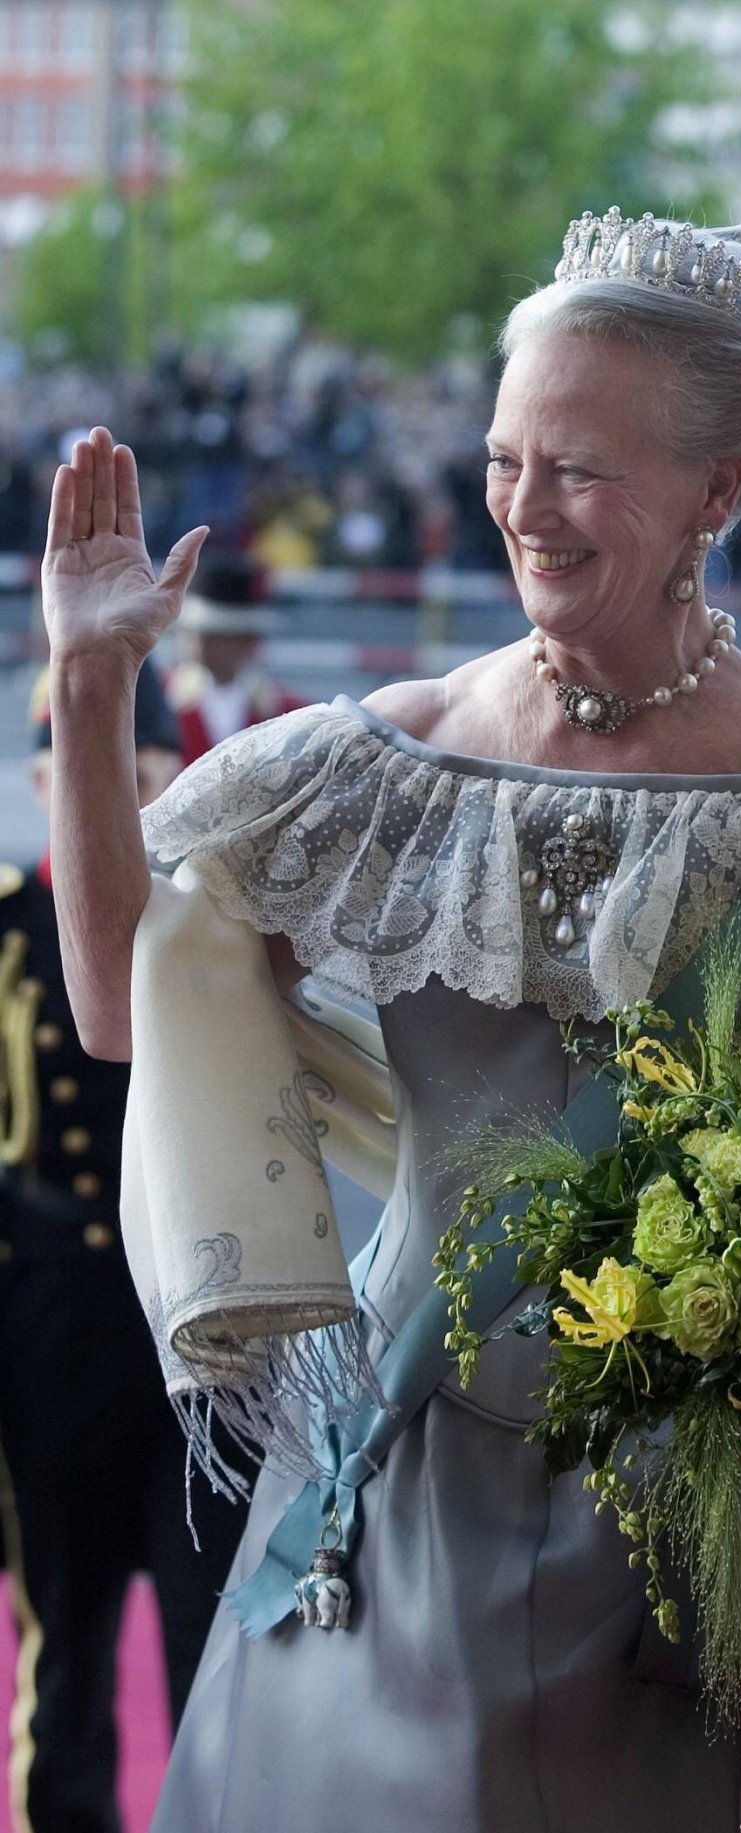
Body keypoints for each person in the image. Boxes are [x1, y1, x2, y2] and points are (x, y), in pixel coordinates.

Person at [40, 209, 741, 1833]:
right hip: (399, 1489)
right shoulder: (386, 761)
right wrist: (88, 691)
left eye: (578, 466)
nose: (520, 504)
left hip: (703, 1515)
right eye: (507, 456)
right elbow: (116, 1007)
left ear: (718, 492)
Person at [0, 662, 248, 1833]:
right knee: (68, 1637)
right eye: (76, 775)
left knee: (216, 1638)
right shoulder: (5, 929)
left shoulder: (218, 933)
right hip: (54, 1327)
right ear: (46, 781)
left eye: (137, 774)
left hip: (200, 1332)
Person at [166, 552, 305, 766]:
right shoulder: (157, 701)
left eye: (214, 634)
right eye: (191, 632)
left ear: (246, 640)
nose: (198, 642)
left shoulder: (287, 712)